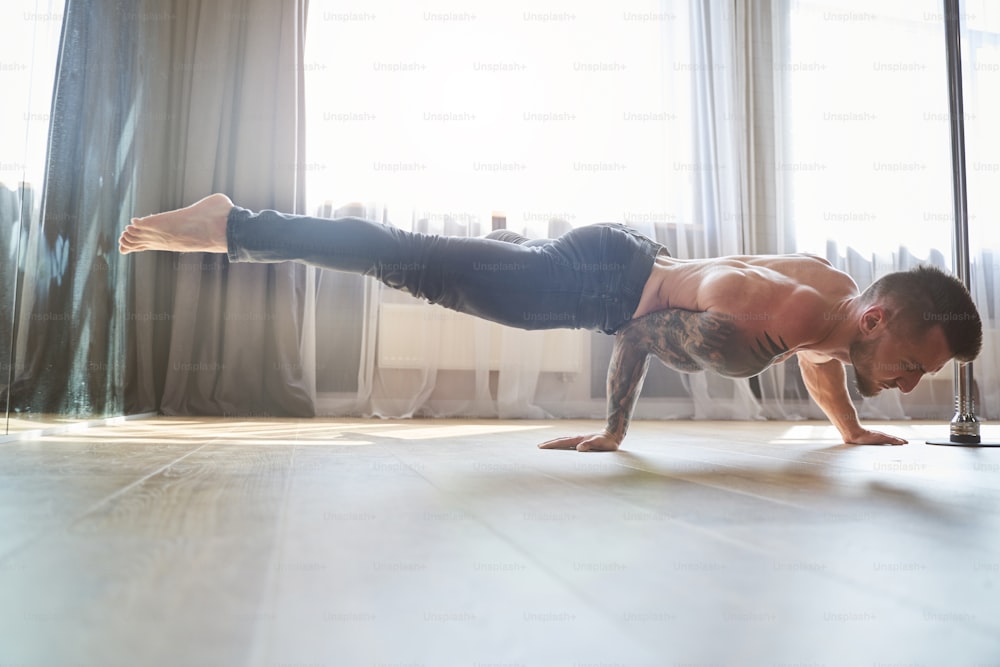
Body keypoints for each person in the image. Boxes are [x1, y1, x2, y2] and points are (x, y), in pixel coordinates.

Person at [119, 194, 983, 451]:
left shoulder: (830, 294)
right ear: (878, 317)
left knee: (445, 259)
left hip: (622, 256)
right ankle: (234, 226)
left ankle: (241, 228)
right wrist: (611, 432)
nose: (912, 381)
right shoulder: (767, 323)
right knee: (403, 256)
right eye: (913, 362)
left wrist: (850, 428)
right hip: (601, 287)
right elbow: (641, 333)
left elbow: (825, 357)